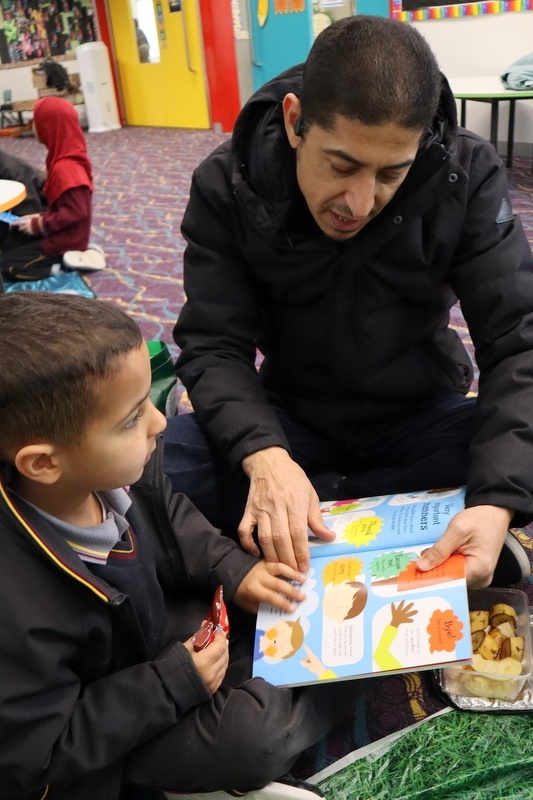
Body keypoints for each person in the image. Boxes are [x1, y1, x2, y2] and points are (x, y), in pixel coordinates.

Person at [162, 16, 533, 588]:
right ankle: (363, 503)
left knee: (512, 456)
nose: (360, 202)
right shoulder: (226, 184)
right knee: (149, 466)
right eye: (341, 165)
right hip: (291, 419)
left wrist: (497, 500)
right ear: (293, 122)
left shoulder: (463, 171)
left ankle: (335, 505)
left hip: (421, 415)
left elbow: (519, 337)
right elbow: (213, 344)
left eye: (392, 173)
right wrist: (264, 456)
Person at [0, 291, 362, 800]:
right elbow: (38, 754)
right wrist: (171, 684)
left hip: (155, 637)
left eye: (149, 401)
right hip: (107, 736)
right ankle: (344, 679)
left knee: (280, 597)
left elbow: (172, 519)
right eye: (131, 419)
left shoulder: (118, 473)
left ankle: (326, 662)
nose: (161, 421)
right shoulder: (16, 607)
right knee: (248, 742)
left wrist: (236, 572)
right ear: (42, 463)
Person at [0, 96, 105, 283]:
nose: (33, 126)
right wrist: (39, 218)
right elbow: (61, 206)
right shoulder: (61, 159)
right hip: (59, 233)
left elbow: (76, 212)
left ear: (49, 126)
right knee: (12, 252)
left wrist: (40, 224)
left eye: (36, 121)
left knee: (7, 268)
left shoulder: (65, 168)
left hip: (62, 242)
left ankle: (66, 264)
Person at [0, 149, 47, 292]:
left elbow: (24, 221)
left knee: (7, 267)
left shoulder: (15, 172)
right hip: (20, 219)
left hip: (39, 229)